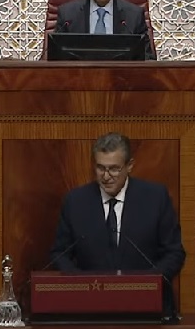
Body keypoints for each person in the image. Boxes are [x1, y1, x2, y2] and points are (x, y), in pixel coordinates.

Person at [49, 132, 185, 319]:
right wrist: (81, 283)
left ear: (129, 166)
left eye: (114, 169)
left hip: (147, 308)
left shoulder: (155, 198)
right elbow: (59, 253)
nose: (106, 176)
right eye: (100, 168)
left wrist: (148, 283)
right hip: (90, 308)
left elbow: (174, 253)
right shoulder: (76, 201)